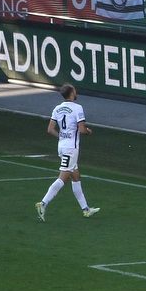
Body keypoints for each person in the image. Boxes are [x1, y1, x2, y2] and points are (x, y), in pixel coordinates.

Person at [35, 84, 100, 221]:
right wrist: (88, 132)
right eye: (75, 90)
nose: (76, 92)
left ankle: (86, 209)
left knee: (76, 177)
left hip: (62, 147)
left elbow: (50, 129)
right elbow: (82, 130)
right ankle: (43, 204)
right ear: (71, 93)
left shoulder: (57, 109)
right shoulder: (77, 108)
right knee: (63, 179)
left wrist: (62, 137)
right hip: (71, 149)